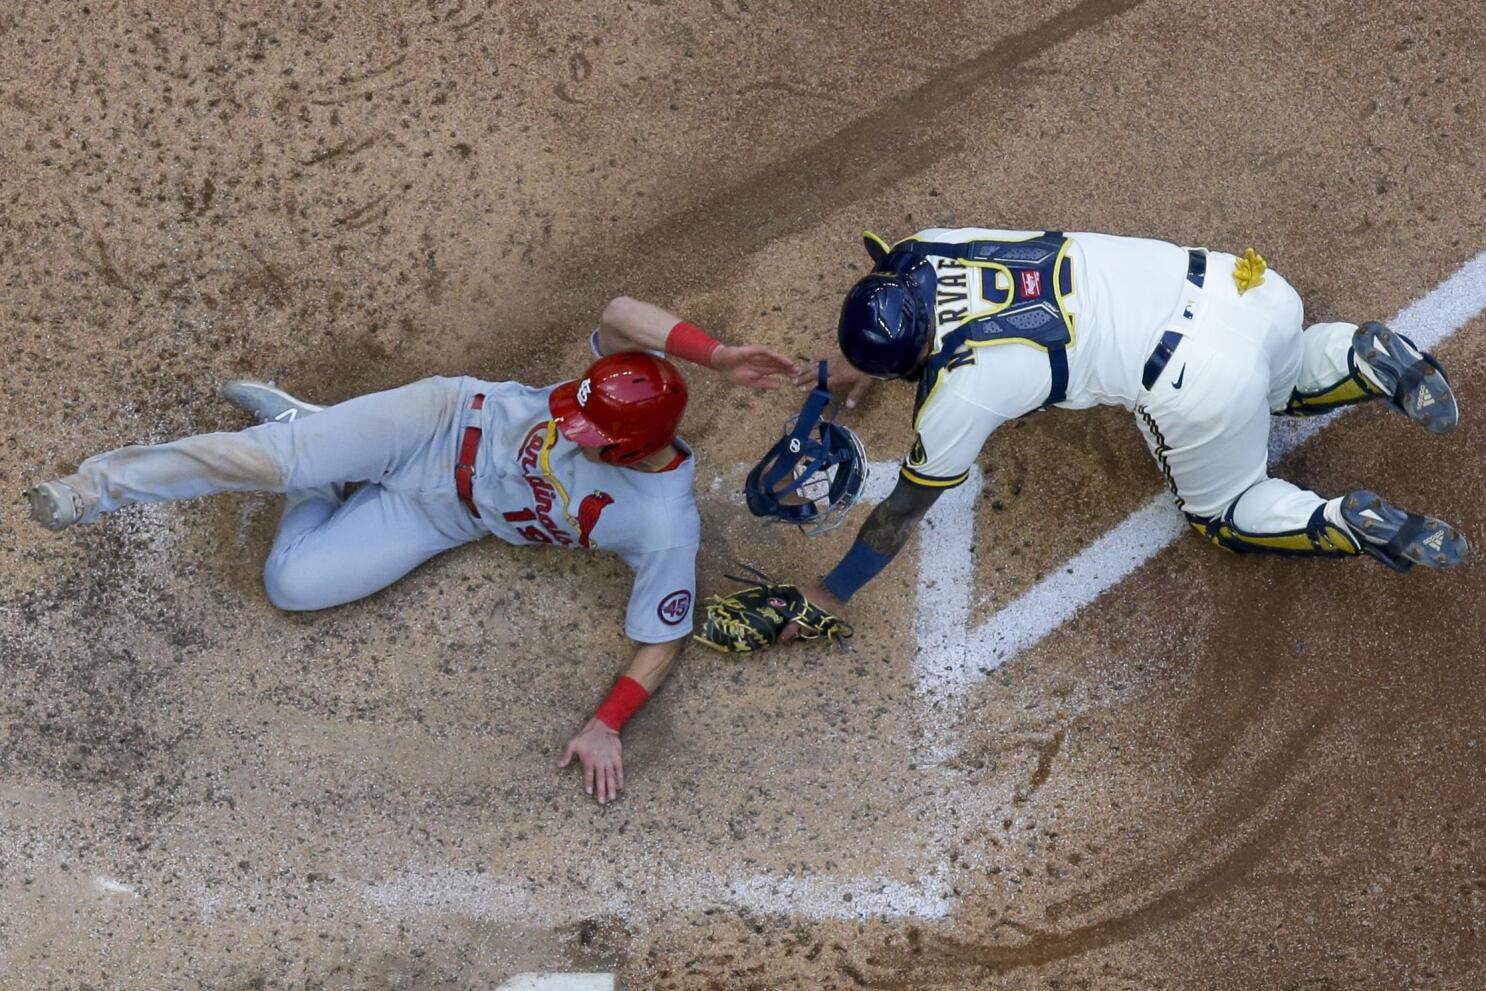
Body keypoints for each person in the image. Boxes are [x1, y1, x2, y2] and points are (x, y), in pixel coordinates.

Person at [24, 297, 798, 803]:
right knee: (267, 463)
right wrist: (718, 353)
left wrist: (607, 722)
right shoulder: (615, 385)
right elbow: (622, 311)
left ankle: (310, 434)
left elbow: (660, 638)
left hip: (444, 517)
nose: (567, 425)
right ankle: (100, 488)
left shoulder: (663, 522)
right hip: (434, 419)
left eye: (587, 436)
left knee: (294, 582)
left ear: (630, 456)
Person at [788, 227, 1467, 628]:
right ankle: (1359, 355)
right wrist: (861, 363)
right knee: (1281, 379)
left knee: (1225, 513)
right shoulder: (925, 249)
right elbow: (890, 273)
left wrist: (829, 593)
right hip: (1246, 287)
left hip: (1199, 381)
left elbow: (899, 515)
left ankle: (1347, 519)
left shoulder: (959, 396)